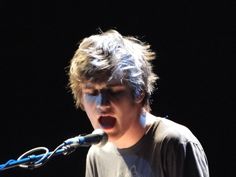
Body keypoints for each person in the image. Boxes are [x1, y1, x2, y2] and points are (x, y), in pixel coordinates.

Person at [67, 29, 209, 177]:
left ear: (139, 91)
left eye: (114, 91)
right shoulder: (97, 154)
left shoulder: (175, 143)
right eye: (91, 93)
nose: (102, 104)